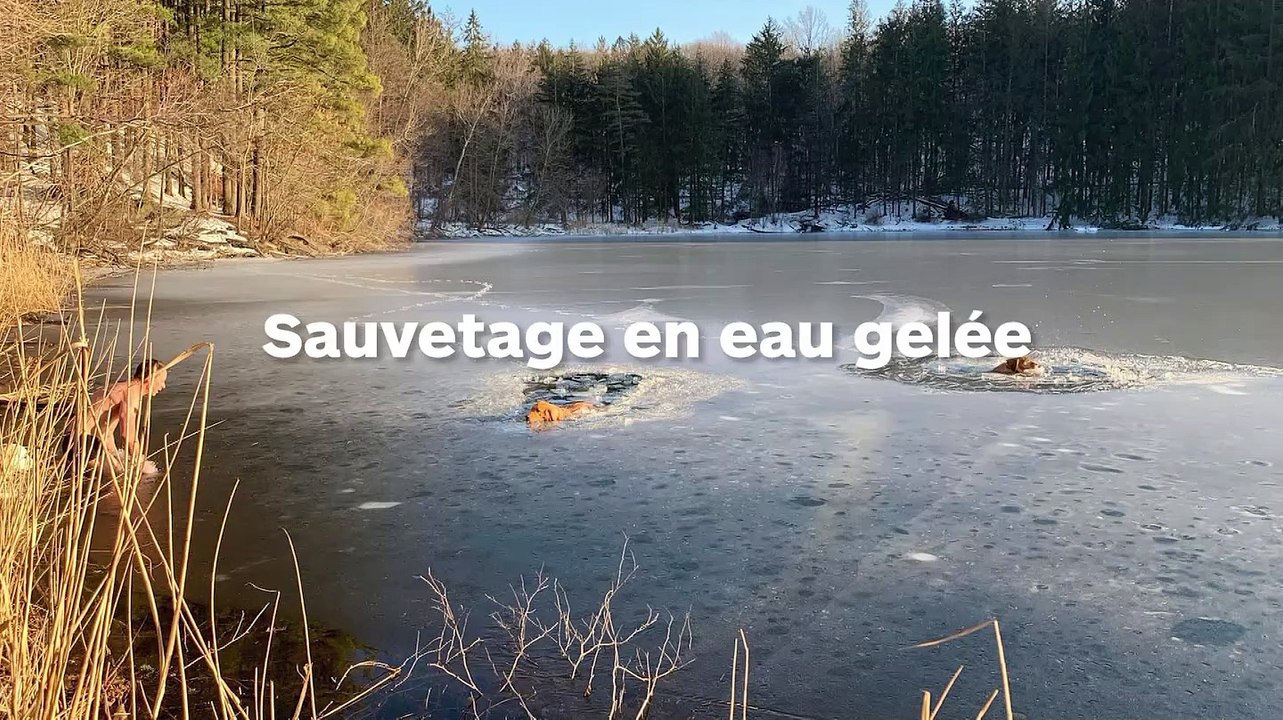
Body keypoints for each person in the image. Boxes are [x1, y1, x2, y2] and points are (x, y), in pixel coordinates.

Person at [71, 358, 168, 475]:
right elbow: (128, 436)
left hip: (76, 440)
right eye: (161, 381)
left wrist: (114, 454)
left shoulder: (121, 388)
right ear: (149, 379)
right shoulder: (131, 393)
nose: (163, 386)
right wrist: (142, 462)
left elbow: (105, 431)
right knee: (122, 477)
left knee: (120, 468)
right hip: (82, 442)